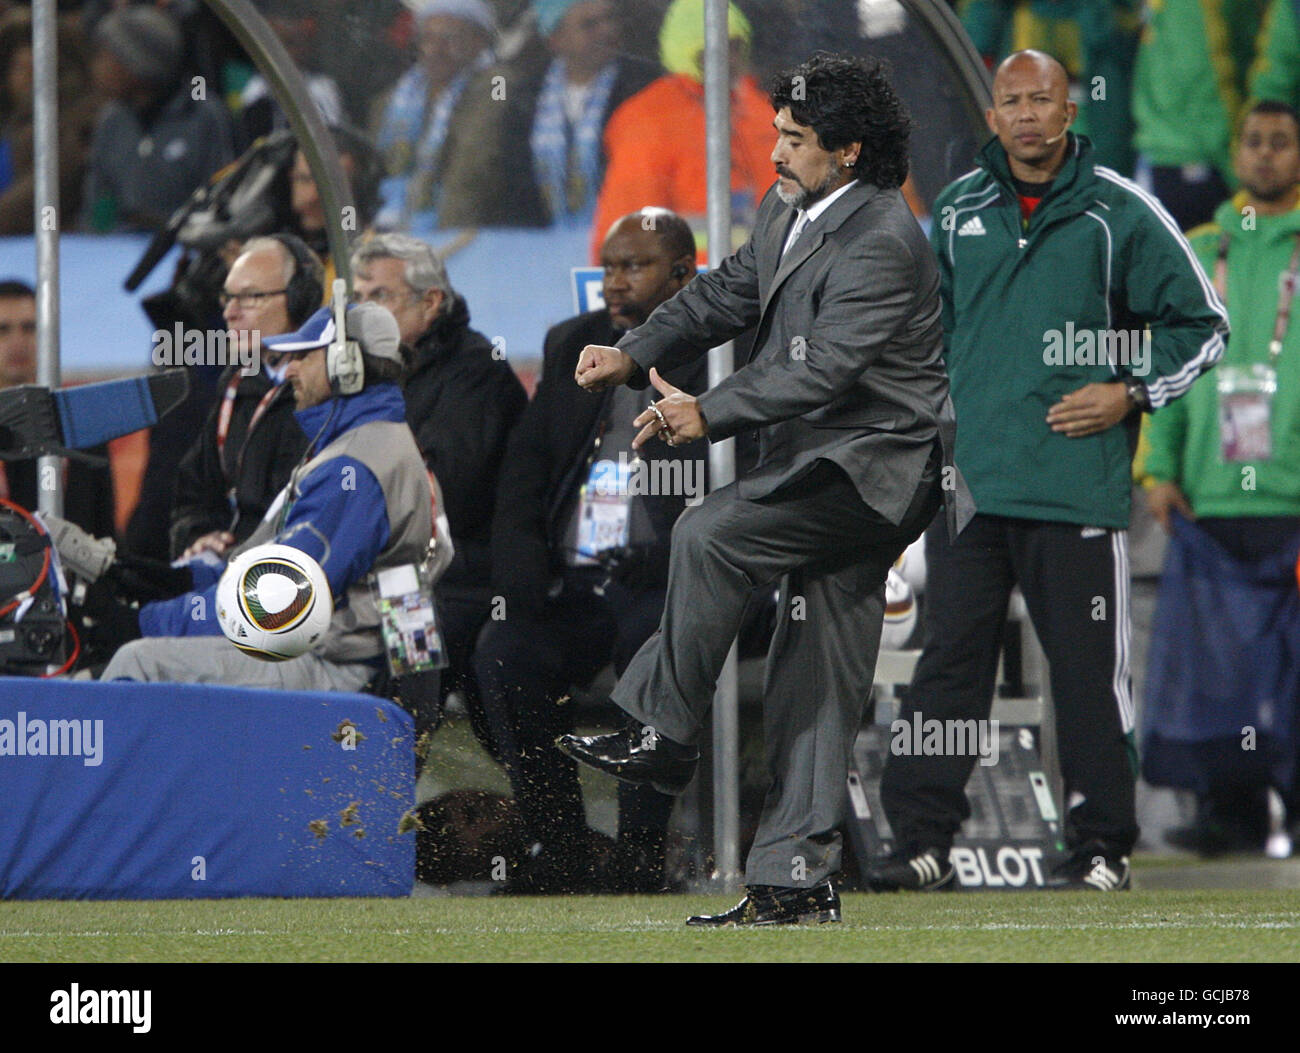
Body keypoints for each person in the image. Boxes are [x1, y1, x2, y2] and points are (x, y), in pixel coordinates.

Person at [558, 53, 970, 925]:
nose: (774, 151)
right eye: (778, 133)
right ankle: (794, 879)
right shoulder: (789, 208)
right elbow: (724, 294)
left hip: (876, 471)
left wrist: (706, 412)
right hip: (820, 463)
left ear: (849, 151)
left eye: (795, 138)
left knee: (711, 532)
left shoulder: (884, 238)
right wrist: (635, 353)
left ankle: (662, 733)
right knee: (815, 674)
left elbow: (822, 370)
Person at [869, 50, 1228, 894]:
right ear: (992, 116)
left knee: (1087, 677)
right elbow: (923, 339)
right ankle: (922, 843)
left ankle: (1101, 848)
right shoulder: (956, 212)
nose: (1026, 115)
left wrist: (1128, 389)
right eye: (1011, 101)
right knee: (948, 667)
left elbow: (1204, 325)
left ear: (1070, 112)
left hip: (1076, 491)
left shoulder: (1120, 212)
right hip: (971, 490)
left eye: (1042, 100)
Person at [475, 208, 704, 893]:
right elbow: (526, 469)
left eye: (635, 266)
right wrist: (522, 569)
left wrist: (674, 555)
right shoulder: (572, 342)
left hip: (669, 581)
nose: (615, 281)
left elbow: (745, 471)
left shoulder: (722, 350)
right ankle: (561, 849)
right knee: (504, 651)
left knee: (652, 648)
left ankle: (640, 860)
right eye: (609, 266)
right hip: (576, 581)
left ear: (682, 274)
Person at [99, 300, 434, 691]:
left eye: (304, 357)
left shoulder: (353, 468)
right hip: (359, 656)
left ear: (346, 366)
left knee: (139, 660)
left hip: (345, 669)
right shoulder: (373, 443)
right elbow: (259, 562)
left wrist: (144, 622)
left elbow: (273, 601)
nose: (289, 370)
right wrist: (174, 581)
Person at [1142, 99, 1300, 857]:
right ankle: (1230, 814)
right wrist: (1158, 466)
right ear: (1235, 153)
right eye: (1254, 141)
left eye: (1281, 142)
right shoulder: (1201, 249)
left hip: (1292, 497)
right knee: (1219, 673)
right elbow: (1169, 363)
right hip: (1209, 494)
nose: (1265, 153)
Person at [351, 234, 525, 740]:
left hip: (456, 575)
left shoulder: (476, 371)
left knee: (398, 676)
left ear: (430, 302)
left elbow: (445, 494)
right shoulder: (369, 370)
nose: (363, 313)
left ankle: (389, 767)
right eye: (358, 299)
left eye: (379, 297)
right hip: (390, 570)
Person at [436, 0, 658, 228]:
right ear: (556, 39)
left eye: (610, 19)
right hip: (541, 242)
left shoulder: (645, 88)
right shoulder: (525, 96)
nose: (607, 31)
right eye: (590, 24)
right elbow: (510, 184)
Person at [168, 234, 324, 560]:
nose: (230, 312)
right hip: (237, 572)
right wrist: (199, 536)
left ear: (299, 300)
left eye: (251, 297)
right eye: (228, 297)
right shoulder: (237, 386)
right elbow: (195, 497)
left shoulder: (331, 391)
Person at [586, 0, 777, 262]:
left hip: (764, 277)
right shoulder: (649, 120)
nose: (728, 59)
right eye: (712, 50)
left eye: (734, 46)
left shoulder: (764, 113)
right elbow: (627, 225)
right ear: (683, 51)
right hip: (690, 280)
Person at [81, 5, 234, 232]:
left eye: (106, 57)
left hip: (187, 245)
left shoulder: (204, 117)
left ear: (136, 62)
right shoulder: (111, 120)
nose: (96, 68)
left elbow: (220, 200)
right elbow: (96, 204)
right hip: (118, 248)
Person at [0, 280, 114, 537]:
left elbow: (103, 529)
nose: (18, 342)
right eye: (2, 330)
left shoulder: (78, 425)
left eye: (29, 328)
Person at [372, 0, 496, 229]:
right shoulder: (392, 100)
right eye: (428, 39)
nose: (436, 49)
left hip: (459, 235)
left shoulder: (496, 89)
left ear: (478, 42)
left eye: (450, 38)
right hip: (389, 230)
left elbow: (470, 179)